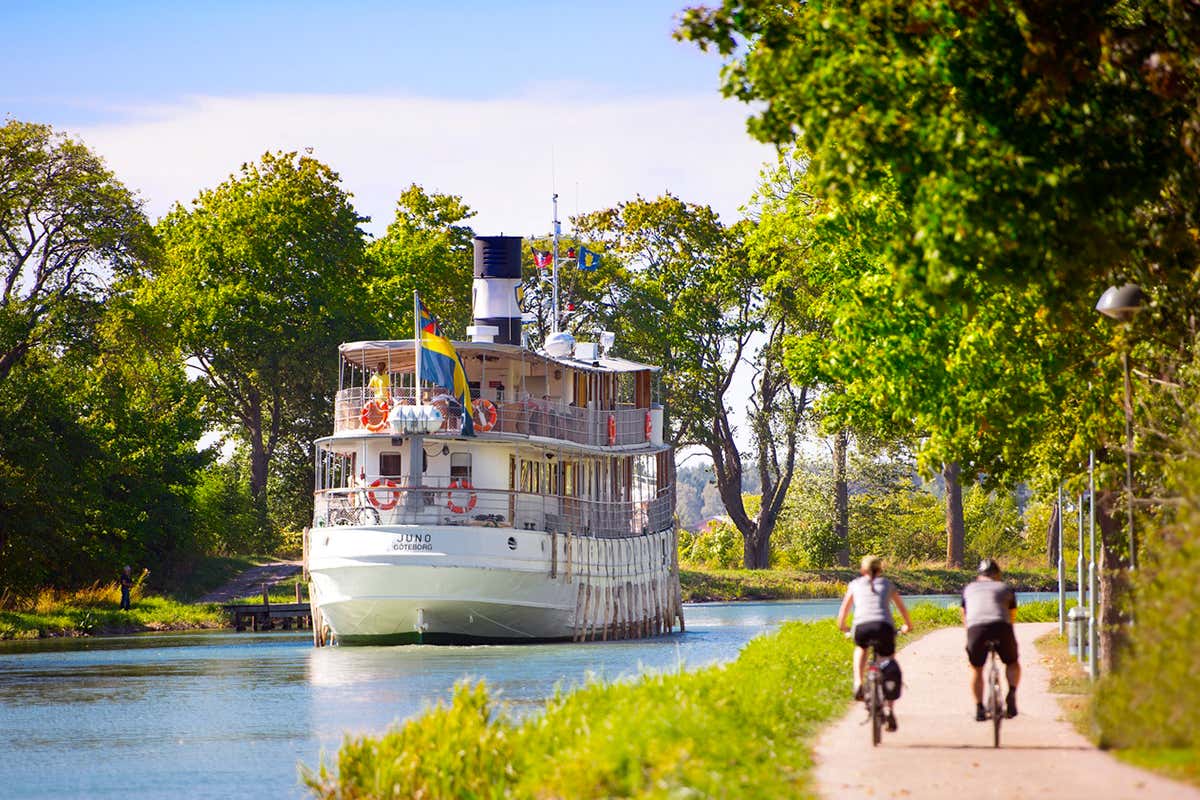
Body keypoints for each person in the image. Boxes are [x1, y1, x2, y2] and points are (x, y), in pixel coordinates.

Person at [837, 555, 914, 731]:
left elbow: (842, 616)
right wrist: (907, 627)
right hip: (884, 627)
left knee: (861, 648)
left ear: (862, 570)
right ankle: (888, 709)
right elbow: (903, 611)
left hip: (862, 627)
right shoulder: (887, 585)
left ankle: (858, 682)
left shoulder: (855, 585)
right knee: (887, 661)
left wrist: (845, 629)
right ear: (880, 570)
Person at [962, 558, 1021, 720]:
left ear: (979, 575)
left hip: (977, 629)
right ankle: (1012, 693)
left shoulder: (969, 589)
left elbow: (966, 617)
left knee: (976, 668)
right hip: (1001, 627)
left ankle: (979, 708)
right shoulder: (1005, 588)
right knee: (1012, 662)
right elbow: (1011, 616)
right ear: (997, 575)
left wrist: (972, 638)